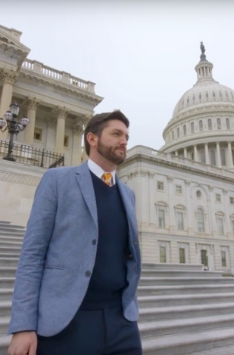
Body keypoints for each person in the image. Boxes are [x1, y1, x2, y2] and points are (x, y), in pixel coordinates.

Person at [8, 110, 142, 355]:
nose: (124, 141)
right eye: (116, 134)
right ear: (92, 138)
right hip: (68, 323)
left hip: (122, 324)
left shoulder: (128, 194)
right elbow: (32, 255)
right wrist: (23, 325)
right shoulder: (57, 181)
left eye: (126, 135)